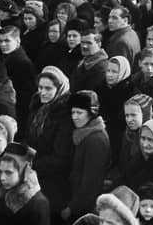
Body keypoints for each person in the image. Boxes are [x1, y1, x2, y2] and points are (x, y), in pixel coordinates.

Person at [26, 66, 73, 223]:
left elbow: (61, 157)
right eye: (40, 87)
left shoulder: (64, 114)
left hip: (55, 182)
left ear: (59, 89)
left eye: (48, 88)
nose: (43, 92)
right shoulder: (38, 106)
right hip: (36, 174)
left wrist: (32, 163)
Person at [62, 90, 111, 222]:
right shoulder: (83, 134)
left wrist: (72, 208)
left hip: (84, 208)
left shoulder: (95, 140)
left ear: (91, 114)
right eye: (73, 112)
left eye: (79, 113)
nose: (75, 117)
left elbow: (91, 182)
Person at [0, 142, 51, 225]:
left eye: (8, 172)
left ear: (24, 172)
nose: (2, 178)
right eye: (0, 172)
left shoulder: (39, 203)